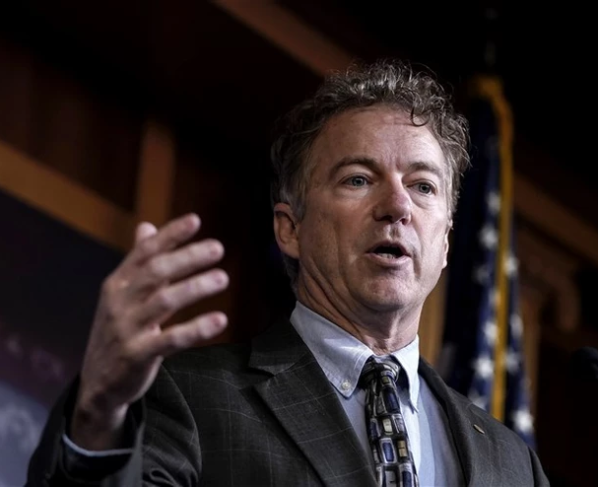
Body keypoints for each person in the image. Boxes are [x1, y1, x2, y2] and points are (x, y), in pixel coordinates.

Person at [26, 60, 549, 486]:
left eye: (423, 186)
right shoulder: (188, 397)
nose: (397, 206)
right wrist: (97, 416)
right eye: (358, 179)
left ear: (447, 242)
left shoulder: (512, 462)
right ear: (290, 229)